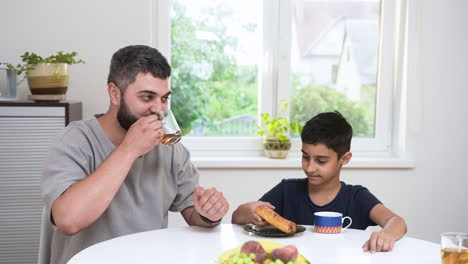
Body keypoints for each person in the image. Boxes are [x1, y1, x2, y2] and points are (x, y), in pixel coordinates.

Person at [41, 45, 229, 264]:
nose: (158, 109)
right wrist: (129, 150)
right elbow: (69, 220)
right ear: (114, 93)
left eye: (164, 98)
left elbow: (194, 214)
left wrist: (209, 213)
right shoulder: (76, 140)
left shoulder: (169, 148)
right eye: (147, 97)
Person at [231, 111, 407, 253]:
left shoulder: (356, 196)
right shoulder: (287, 190)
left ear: (344, 158)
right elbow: (237, 218)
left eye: (321, 161)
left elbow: (397, 221)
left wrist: (386, 234)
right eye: (305, 157)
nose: (310, 168)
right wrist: (250, 210)